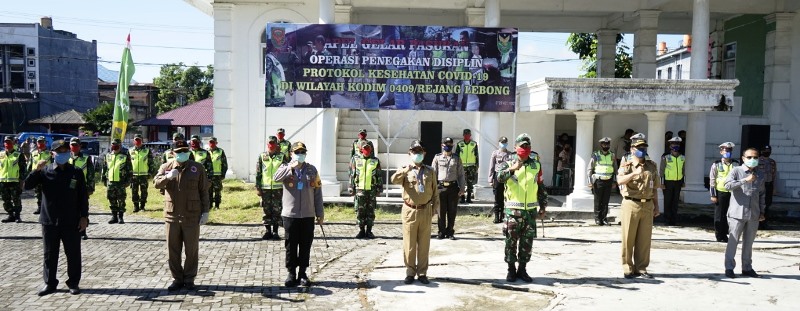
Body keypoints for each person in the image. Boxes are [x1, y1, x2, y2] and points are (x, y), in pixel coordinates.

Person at [24, 140, 89, 296]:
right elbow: (27, 186)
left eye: (65, 150)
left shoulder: (76, 172)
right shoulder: (45, 171)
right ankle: (50, 283)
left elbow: (82, 197)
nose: (63, 153)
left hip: (71, 220)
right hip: (50, 220)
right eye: (59, 151)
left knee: (73, 254)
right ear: (52, 154)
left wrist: (84, 217)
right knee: (49, 254)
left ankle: (73, 283)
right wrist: (35, 170)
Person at [154, 140, 211, 291]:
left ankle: (189, 278)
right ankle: (177, 279)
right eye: (179, 151)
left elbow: (204, 191)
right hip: (172, 216)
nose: (182, 154)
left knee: (191, 249)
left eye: (184, 151)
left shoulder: (197, 168)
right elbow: (156, 183)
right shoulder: (166, 167)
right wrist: (168, 177)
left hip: (191, 215)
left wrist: (206, 211)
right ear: (173, 153)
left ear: (189, 152)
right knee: (173, 249)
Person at [496, 134, 547, 283]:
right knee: (510, 242)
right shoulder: (507, 162)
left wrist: (543, 205)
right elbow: (499, 177)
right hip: (513, 212)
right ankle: (511, 270)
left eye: (527, 146)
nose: (524, 149)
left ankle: (522, 269)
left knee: (527, 243)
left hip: (530, 212)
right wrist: (512, 169)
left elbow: (541, 186)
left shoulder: (535, 165)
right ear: (515, 147)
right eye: (521, 146)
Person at [272, 141, 324, 287]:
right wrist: (290, 167)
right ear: (291, 154)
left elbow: (318, 192)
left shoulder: (312, 170)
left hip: (308, 214)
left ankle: (302, 273)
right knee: (291, 244)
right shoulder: (285, 167)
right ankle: (291, 273)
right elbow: (276, 178)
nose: (300, 155)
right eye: (297, 152)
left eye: (302, 152)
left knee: (305, 244)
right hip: (290, 214)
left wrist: (320, 213)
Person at [390, 140, 439, 285]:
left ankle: (422, 273)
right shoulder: (405, 170)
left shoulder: (430, 171)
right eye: (415, 152)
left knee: (424, 244)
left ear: (424, 153)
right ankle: (410, 272)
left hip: (425, 210)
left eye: (420, 152)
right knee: (409, 244)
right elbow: (394, 180)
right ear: (410, 153)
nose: (418, 154)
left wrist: (435, 207)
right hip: (410, 211)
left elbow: (435, 191)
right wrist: (406, 170)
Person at [617, 133, 661, 279]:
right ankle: (628, 268)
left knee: (644, 240)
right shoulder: (626, 165)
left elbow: (654, 188)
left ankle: (641, 268)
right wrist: (634, 174)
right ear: (632, 149)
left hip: (647, 205)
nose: (642, 149)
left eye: (643, 147)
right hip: (631, 203)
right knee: (628, 238)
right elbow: (620, 181)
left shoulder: (652, 166)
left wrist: (657, 206)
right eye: (638, 147)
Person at [723, 148, 766, 278]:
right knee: (733, 241)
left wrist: (762, 211)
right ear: (743, 158)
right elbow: (727, 185)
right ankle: (729, 268)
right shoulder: (736, 171)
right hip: (737, 213)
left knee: (749, 243)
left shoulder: (760, 174)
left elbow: (762, 194)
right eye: (749, 157)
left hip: (753, 213)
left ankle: (747, 268)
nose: (752, 160)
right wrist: (745, 180)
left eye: (755, 157)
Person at [433, 137, 466, 240]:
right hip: (441, 187)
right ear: (442, 145)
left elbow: (461, 174)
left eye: (450, 144)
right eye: (446, 144)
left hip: (453, 187)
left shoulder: (456, 158)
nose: (448, 146)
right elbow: (433, 174)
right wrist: (432, 189)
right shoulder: (437, 158)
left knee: (452, 211)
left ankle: (450, 232)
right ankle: (441, 232)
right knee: (441, 211)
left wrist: (462, 188)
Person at [255, 136, 287, 240]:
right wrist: (258, 187)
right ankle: (267, 231)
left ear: (277, 144)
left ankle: (275, 232)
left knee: (277, 210)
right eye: (270, 143)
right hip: (265, 188)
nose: (271, 145)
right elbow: (258, 173)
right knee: (266, 210)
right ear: (267, 144)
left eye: (273, 143)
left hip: (278, 189)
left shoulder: (282, 157)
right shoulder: (262, 156)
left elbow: (287, 171)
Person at [350, 141, 383, 239]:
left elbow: (379, 175)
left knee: (370, 211)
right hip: (360, 190)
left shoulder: (375, 161)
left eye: (368, 148)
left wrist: (379, 188)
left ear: (371, 149)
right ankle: (361, 230)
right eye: (365, 148)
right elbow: (352, 174)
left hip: (371, 190)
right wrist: (351, 187)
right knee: (360, 211)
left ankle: (369, 231)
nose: (367, 150)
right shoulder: (356, 160)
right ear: (361, 149)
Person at [710, 142, 738, 242]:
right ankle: (719, 235)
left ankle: (725, 234)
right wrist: (713, 194)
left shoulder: (736, 164)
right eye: (726, 150)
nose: (728, 152)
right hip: (720, 192)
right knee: (719, 215)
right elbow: (712, 180)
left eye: (729, 150)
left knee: (729, 215)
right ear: (721, 151)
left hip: (732, 192)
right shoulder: (716, 164)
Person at [69, 138, 95, 240]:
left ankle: (83, 231)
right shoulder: (67, 158)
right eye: (72, 145)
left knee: (82, 210)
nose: (74, 147)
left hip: (81, 188)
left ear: (80, 146)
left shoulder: (86, 158)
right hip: (68, 189)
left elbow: (91, 175)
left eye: (76, 145)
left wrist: (90, 188)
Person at [587, 137, 617, 225]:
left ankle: (604, 218)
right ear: (601, 145)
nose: (606, 146)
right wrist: (590, 182)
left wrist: (615, 181)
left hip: (609, 180)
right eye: (604, 144)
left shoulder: (612, 155)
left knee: (606, 201)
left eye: (607, 144)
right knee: (598, 200)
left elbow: (615, 168)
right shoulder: (596, 155)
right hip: (598, 180)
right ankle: (597, 218)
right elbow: (590, 168)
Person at [102, 139, 132, 224]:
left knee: (121, 199)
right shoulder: (108, 156)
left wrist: (128, 181)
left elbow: (130, 169)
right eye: (112, 144)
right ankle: (114, 216)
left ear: (120, 145)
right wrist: (104, 178)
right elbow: (105, 168)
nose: (114, 146)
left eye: (116, 144)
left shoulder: (125, 156)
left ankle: (121, 217)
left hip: (121, 182)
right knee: (112, 199)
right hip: (110, 182)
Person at [660, 137, 685, 226]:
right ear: (670, 146)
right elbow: (662, 170)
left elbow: (683, 170)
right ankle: (666, 220)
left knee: (675, 201)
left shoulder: (682, 157)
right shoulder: (666, 157)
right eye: (674, 144)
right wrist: (662, 182)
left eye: (677, 144)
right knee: (668, 201)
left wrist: (683, 181)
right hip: (668, 181)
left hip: (678, 181)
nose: (676, 146)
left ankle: (673, 220)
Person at [129, 134, 155, 213]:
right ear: (134, 141)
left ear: (142, 141)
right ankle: (136, 206)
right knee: (134, 191)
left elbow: (151, 163)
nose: (137, 141)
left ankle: (142, 206)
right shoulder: (130, 151)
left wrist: (151, 173)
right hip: (134, 175)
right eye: (136, 140)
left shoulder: (147, 150)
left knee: (144, 191)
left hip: (144, 175)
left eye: (139, 140)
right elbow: (128, 164)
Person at [488, 136, 511, 224]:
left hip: (507, 177)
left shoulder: (510, 154)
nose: (503, 144)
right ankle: (497, 216)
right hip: (497, 176)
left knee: (506, 197)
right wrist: (490, 180)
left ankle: (503, 215)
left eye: (505, 142)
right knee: (497, 197)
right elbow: (491, 166)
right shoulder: (495, 153)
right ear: (499, 143)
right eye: (502, 142)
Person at [29, 136, 52, 215]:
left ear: (45, 143)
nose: (40, 143)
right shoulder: (33, 153)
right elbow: (30, 164)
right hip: (36, 175)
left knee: (47, 192)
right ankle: (39, 208)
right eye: (39, 142)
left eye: (42, 142)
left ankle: (47, 208)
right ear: (36, 143)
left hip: (47, 175)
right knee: (37, 193)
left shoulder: (50, 153)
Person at [455, 129, 478, 203]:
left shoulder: (474, 144)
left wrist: (477, 165)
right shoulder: (459, 144)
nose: (467, 136)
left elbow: (476, 155)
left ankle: (468, 198)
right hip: (462, 166)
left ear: (470, 135)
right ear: (463, 135)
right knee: (462, 182)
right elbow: (456, 155)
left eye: (468, 135)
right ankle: (462, 198)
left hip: (471, 166)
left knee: (470, 183)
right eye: (465, 135)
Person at [757, 145, 777, 230]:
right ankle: (757, 223)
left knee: (767, 204)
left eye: (768, 150)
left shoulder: (772, 162)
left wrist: (774, 187)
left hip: (769, 185)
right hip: (760, 185)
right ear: (761, 151)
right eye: (765, 150)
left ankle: (764, 223)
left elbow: (774, 175)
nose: (767, 152)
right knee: (759, 204)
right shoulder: (757, 161)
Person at [208, 137, 228, 209]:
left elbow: (224, 164)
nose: (211, 144)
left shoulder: (220, 151)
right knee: (208, 191)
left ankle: (217, 205)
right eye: (210, 142)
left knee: (217, 191)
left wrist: (223, 174)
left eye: (213, 142)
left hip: (217, 175)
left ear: (216, 143)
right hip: (208, 175)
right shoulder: (206, 151)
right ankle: (209, 205)